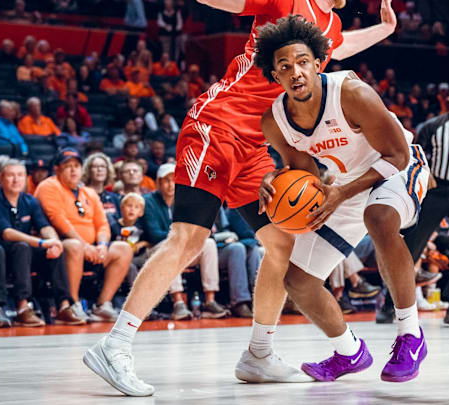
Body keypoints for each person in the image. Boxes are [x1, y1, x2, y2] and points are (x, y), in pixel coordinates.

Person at [84, 0, 398, 396]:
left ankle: (259, 354)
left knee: (284, 243)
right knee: (189, 239)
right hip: (217, 126)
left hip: (254, 146)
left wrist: (384, 30)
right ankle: (115, 345)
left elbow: (340, 44)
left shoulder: (329, 25)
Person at [255, 16, 430, 383]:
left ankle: (410, 334)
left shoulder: (351, 93)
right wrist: (274, 179)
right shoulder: (275, 121)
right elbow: (304, 173)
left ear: (318, 63)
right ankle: (350, 352)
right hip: (345, 184)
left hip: (398, 166)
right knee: (298, 281)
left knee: (379, 218)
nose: (295, 72)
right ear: (275, 76)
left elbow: (397, 155)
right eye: (284, 67)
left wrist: (341, 193)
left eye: (302, 62)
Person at [397, 78, 449, 325]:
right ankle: (390, 301)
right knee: (413, 245)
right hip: (436, 191)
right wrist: (426, 175)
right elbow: (413, 155)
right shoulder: (432, 126)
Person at [35, 148, 132, 322]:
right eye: (68, 166)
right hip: (61, 248)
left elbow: (103, 224)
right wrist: (85, 245)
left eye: (77, 166)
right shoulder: (49, 186)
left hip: (92, 250)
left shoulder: (89, 192)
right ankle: (73, 303)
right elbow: (58, 220)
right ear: (57, 169)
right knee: (74, 245)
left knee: (123, 249)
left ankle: (103, 305)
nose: (73, 170)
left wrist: (101, 246)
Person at [0, 159, 84, 326]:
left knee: (55, 249)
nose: (16, 179)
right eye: (11, 175)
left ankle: (64, 306)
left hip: (25, 251)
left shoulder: (29, 200)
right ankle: (22, 308)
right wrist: (41, 243)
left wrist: (54, 242)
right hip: (0, 250)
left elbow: (44, 226)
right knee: (21, 247)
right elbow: (7, 233)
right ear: (1, 177)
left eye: (20, 175)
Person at [140, 163, 227, 320]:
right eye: (166, 180)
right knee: (172, 246)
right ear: (158, 183)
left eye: (174, 180)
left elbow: (199, 228)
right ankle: (178, 302)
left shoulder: (187, 200)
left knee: (209, 244)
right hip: (156, 251)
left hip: (182, 248)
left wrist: (185, 236)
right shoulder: (148, 201)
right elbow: (154, 235)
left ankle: (210, 301)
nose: (171, 184)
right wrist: (183, 236)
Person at [216, 208, 262, 318]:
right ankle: (239, 302)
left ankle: (257, 299)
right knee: (238, 248)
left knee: (253, 250)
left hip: (230, 243)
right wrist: (225, 237)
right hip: (213, 249)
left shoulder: (221, 208)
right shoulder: (233, 210)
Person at [81, 153, 121, 217]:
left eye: (102, 166)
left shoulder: (114, 198)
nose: (99, 169)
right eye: (95, 166)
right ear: (88, 170)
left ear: (107, 171)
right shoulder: (80, 195)